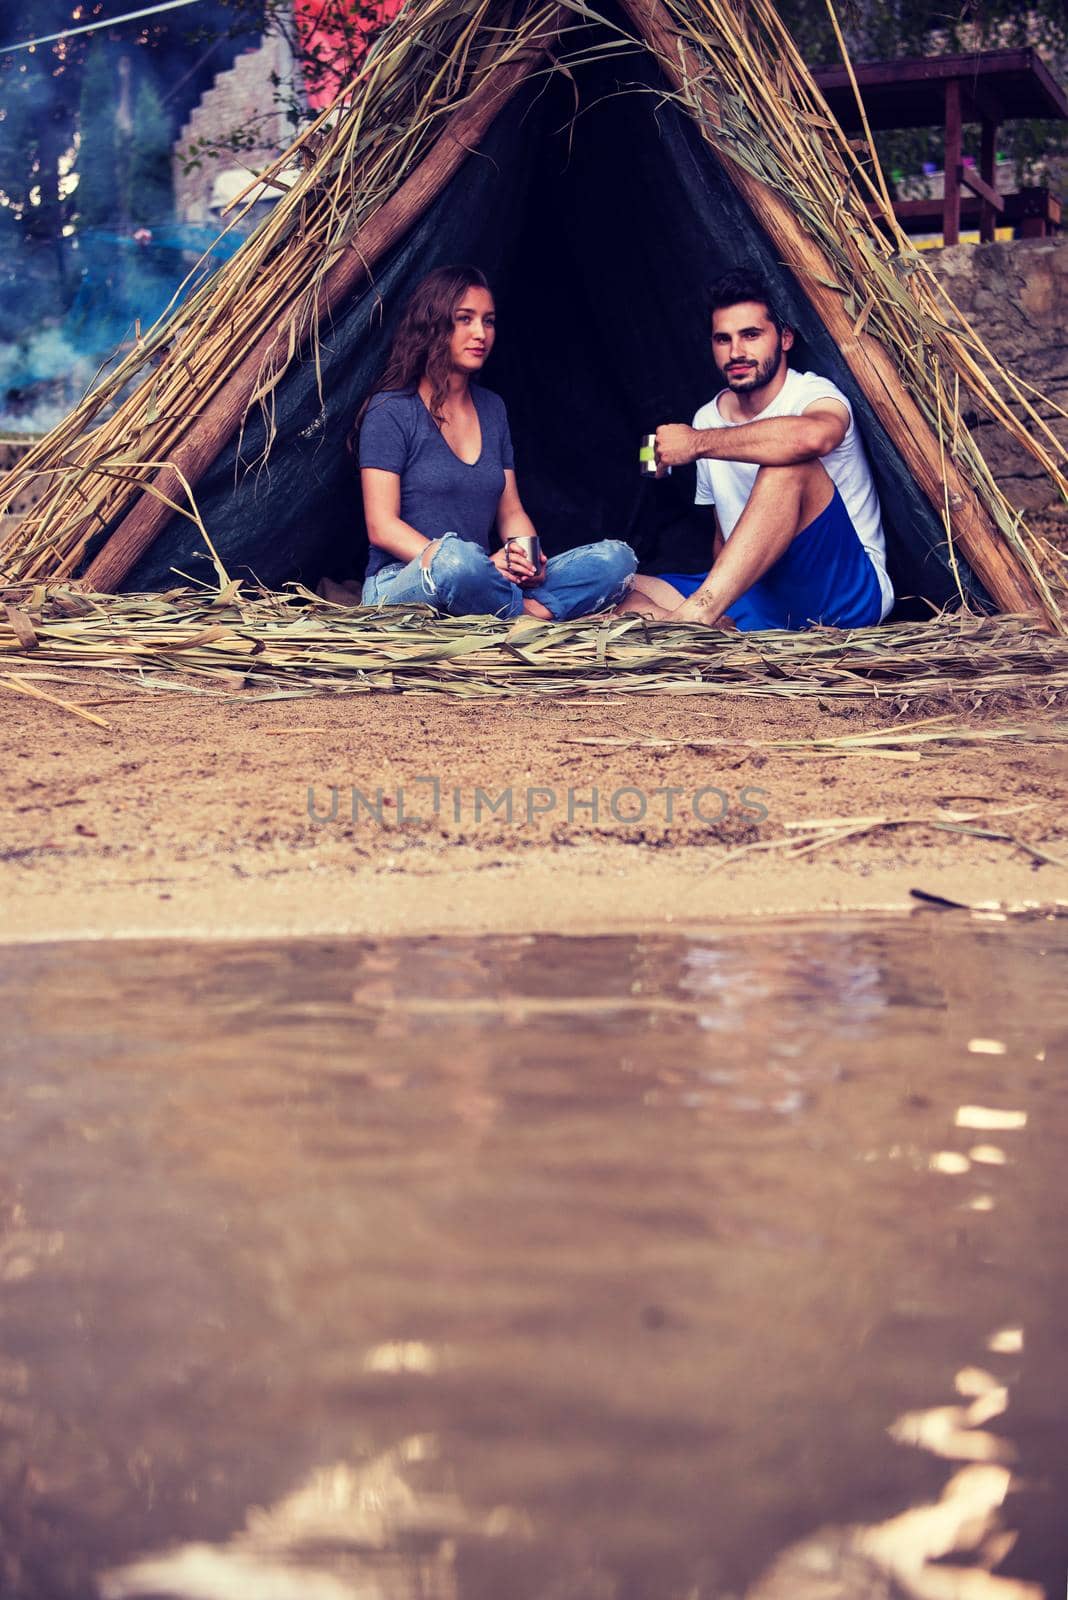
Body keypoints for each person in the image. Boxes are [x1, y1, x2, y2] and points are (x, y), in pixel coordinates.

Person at [357, 265, 636, 620]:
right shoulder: (391, 410)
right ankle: (529, 615)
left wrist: (528, 560)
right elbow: (381, 525)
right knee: (458, 561)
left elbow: (511, 511)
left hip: (482, 577)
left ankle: (508, 608)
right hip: (407, 580)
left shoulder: (492, 408)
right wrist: (467, 564)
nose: (481, 333)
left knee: (616, 559)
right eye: (465, 319)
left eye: (488, 321)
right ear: (432, 325)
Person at [621, 269, 894, 631]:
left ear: (784, 338)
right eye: (723, 339)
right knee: (622, 587)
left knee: (788, 464)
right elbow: (724, 535)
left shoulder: (813, 394)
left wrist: (697, 444)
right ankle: (714, 627)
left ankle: (692, 621)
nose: (736, 352)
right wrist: (724, 601)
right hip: (762, 593)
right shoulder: (706, 417)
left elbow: (814, 438)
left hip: (843, 594)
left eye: (751, 335)